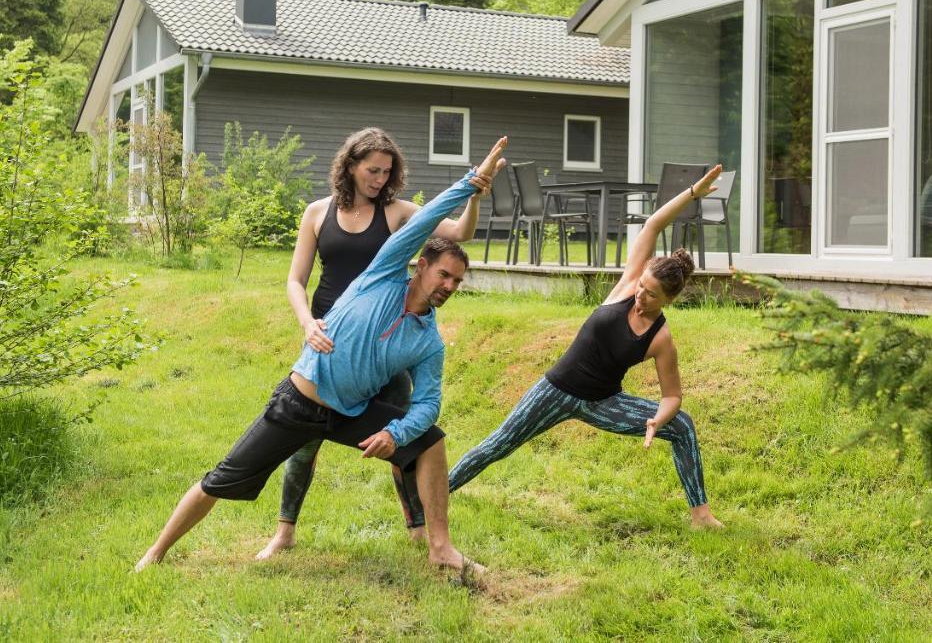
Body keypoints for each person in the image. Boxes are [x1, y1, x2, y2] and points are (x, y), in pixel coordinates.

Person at [134, 137, 509, 574]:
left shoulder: (428, 341)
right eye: (443, 274)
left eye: (457, 282)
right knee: (224, 477)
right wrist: (472, 180)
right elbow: (427, 218)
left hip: (351, 411)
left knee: (429, 441)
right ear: (419, 265)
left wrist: (397, 432)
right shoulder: (383, 272)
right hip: (300, 401)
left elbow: (428, 403)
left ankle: (439, 547)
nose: (448, 286)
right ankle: (155, 553)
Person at [448, 163, 726, 530]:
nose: (641, 295)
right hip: (555, 390)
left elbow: (672, 395)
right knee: (499, 444)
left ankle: (701, 516)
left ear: (669, 300)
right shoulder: (628, 285)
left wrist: (660, 418)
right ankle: (437, 490)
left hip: (603, 403)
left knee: (684, 426)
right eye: (642, 285)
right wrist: (692, 194)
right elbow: (653, 224)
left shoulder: (660, 338)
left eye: (651, 294)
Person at [257, 127, 488, 560]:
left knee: (404, 437)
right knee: (303, 442)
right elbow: (295, 279)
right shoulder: (317, 212)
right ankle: (284, 531)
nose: (380, 179)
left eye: (387, 171)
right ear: (349, 165)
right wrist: (307, 322)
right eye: (372, 170)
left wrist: (474, 194)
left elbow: (458, 232)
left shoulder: (398, 212)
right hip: (328, 340)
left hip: (387, 340)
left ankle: (419, 529)